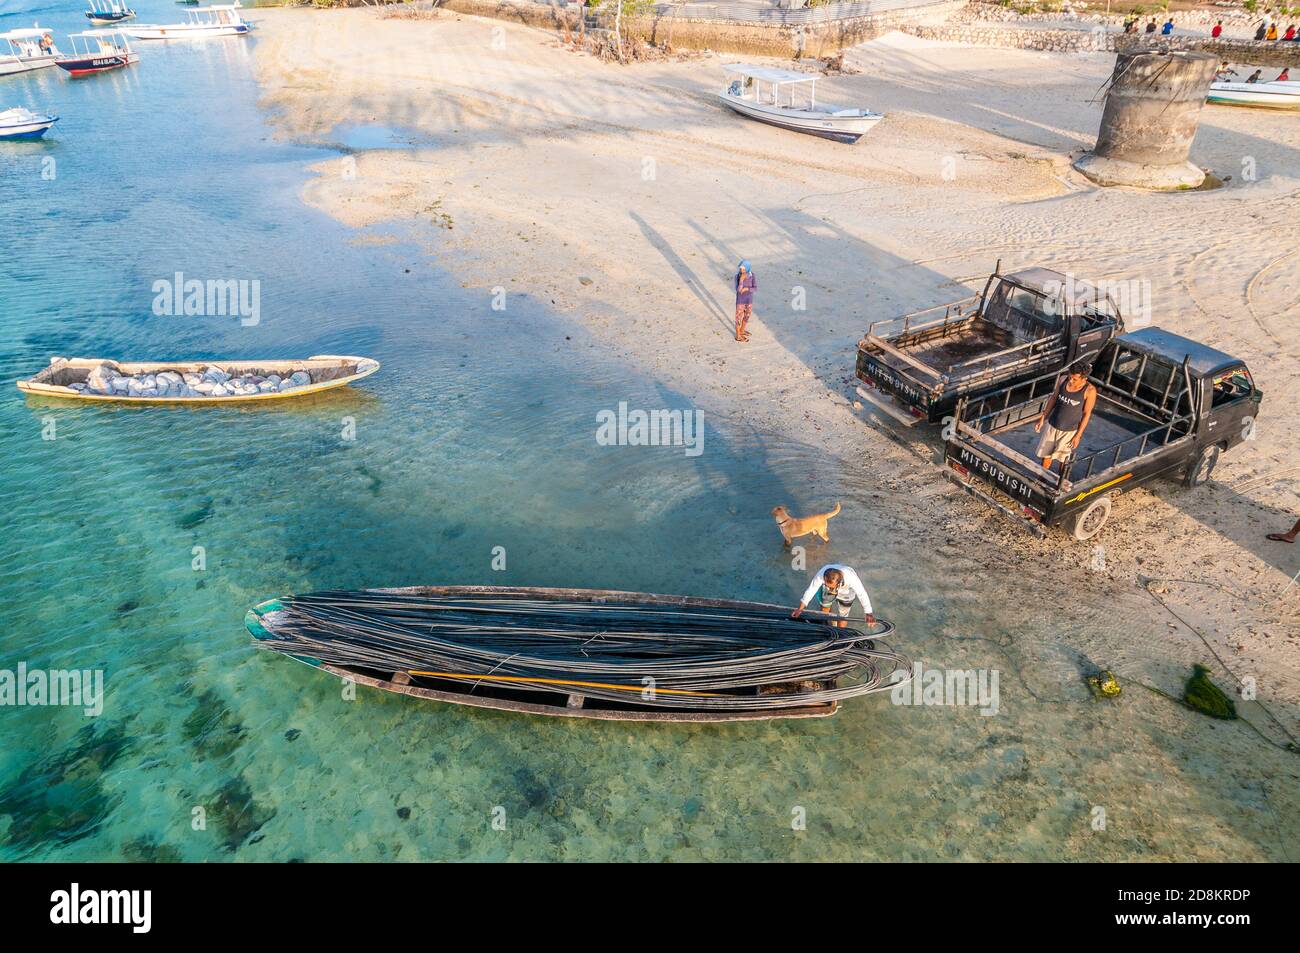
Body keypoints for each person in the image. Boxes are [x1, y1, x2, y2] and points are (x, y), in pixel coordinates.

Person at [1034, 363, 1097, 481]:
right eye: (1070, 377)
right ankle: (1041, 479)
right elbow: (1053, 398)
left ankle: (1061, 482)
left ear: (1084, 379)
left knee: (1063, 459)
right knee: (1046, 456)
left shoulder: (1090, 390)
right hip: (1053, 424)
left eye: (1075, 379)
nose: (1071, 380)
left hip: (1070, 431)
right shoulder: (1063, 380)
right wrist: (1042, 418)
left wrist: (1078, 435)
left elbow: (1086, 414)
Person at [792, 565, 875, 629]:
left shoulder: (852, 578)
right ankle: (825, 626)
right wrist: (800, 609)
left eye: (831, 587)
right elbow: (811, 590)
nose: (829, 588)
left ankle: (840, 635)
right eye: (825, 584)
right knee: (824, 610)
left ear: (839, 582)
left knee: (843, 616)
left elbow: (862, 594)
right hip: (829, 588)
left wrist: (868, 613)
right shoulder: (822, 574)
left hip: (847, 593)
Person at [734, 260, 756, 343]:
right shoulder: (737, 277)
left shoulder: (752, 275)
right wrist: (741, 281)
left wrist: (747, 289)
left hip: (749, 300)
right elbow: (738, 290)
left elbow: (755, 288)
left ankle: (742, 330)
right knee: (738, 317)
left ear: (747, 268)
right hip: (740, 301)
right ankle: (738, 336)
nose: (742, 270)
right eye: (740, 269)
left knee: (747, 315)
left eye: (743, 269)